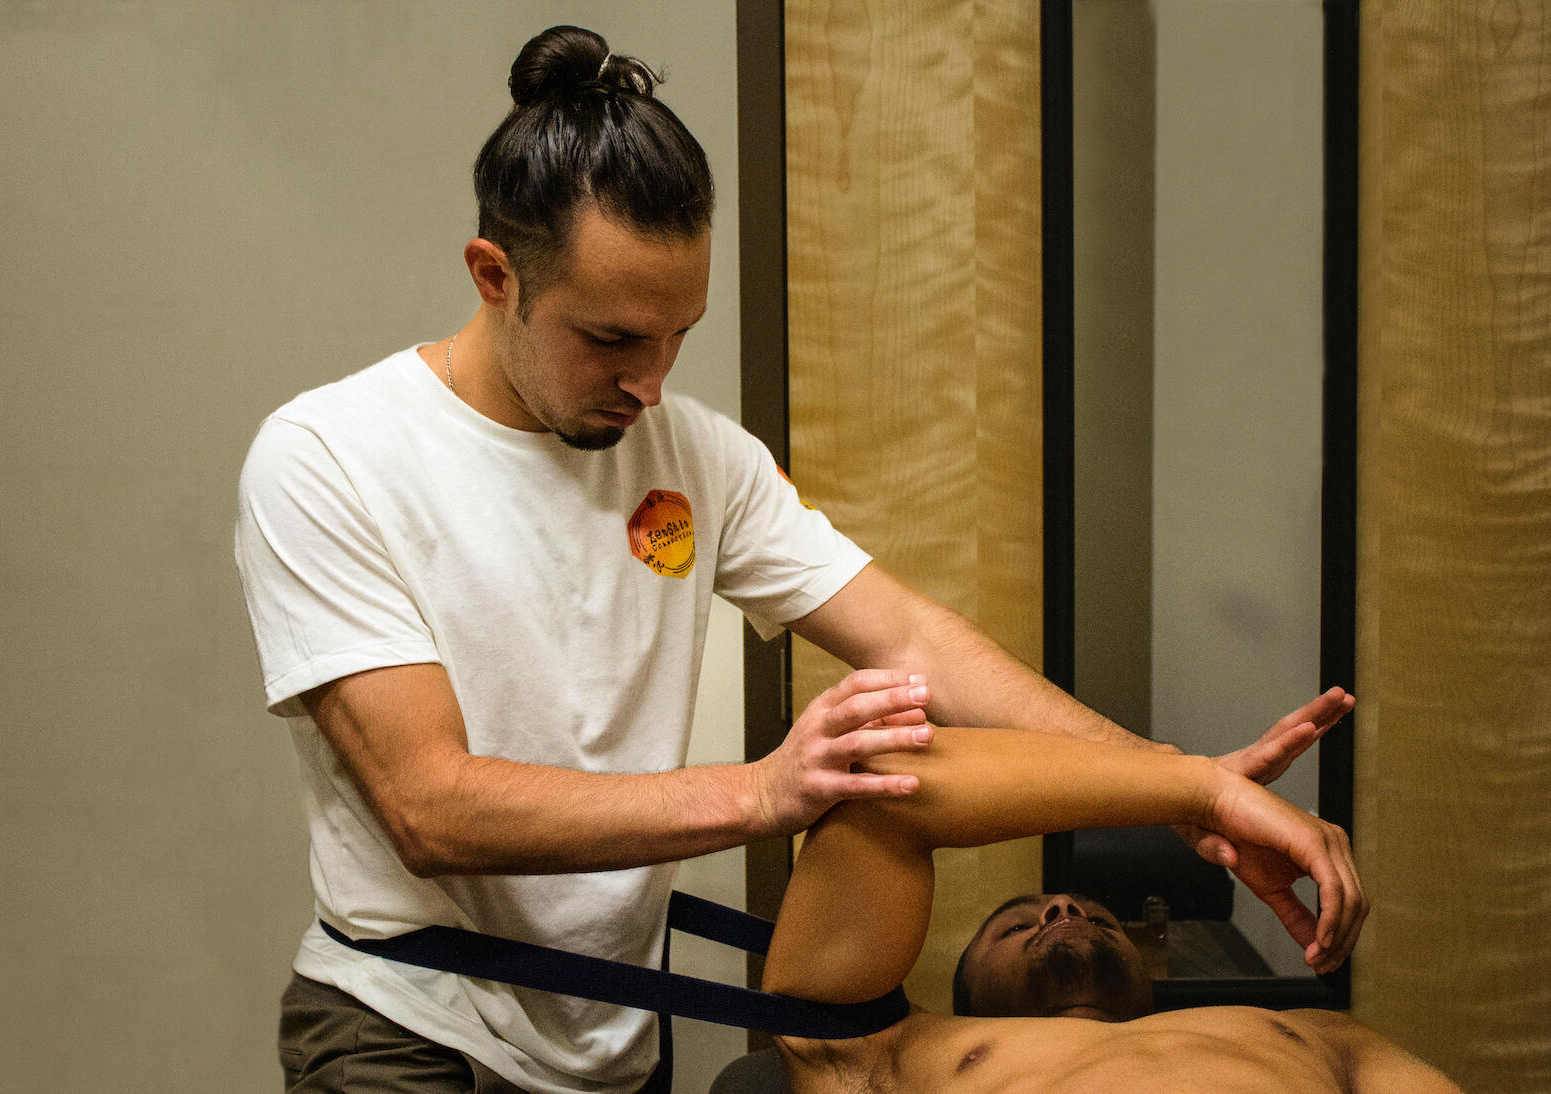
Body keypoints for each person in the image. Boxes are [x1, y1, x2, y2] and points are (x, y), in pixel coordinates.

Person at [234, 23, 1355, 1094]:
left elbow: (914, 639)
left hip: (610, 1033)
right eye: (612, 338)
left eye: (678, 335)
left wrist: (1177, 788)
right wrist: (764, 791)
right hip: (405, 1021)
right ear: (495, 274)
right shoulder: (331, 457)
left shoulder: (697, 457)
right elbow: (431, 807)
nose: (650, 384)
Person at [758, 729, 1462, 1094]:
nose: (1065, 905)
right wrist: (1201, 791)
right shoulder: (890, 1052)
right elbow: (884, 787)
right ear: (966, 997)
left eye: (1100, 917)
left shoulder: (1315, 1033)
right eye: (1016, 925)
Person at [952, 891, 1155, 1022]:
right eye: (1017, 927)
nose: (1063, 903)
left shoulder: (1176, 1032)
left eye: (1097, 921)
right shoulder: (942, 1043)